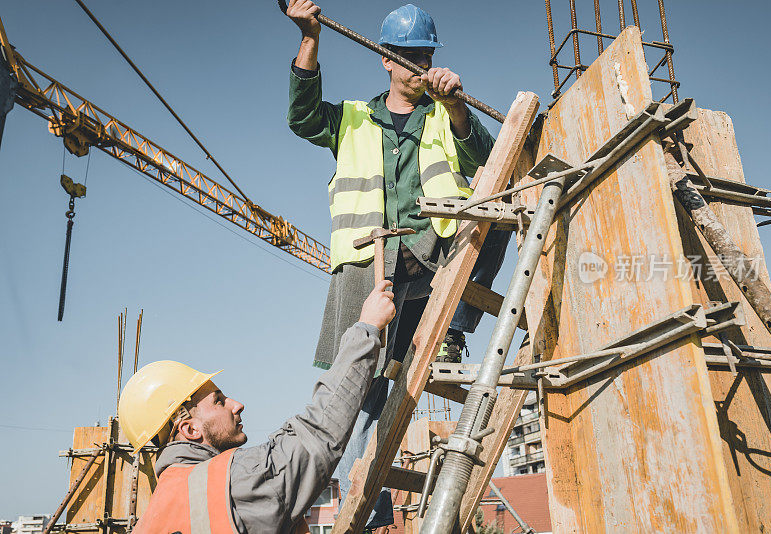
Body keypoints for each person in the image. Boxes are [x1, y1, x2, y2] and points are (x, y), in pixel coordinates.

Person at [284, 2, 510, 528]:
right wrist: (310, 39)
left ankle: (454, 329)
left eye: (424, 55)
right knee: (366, 391)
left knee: (496, 217)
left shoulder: (443, 115)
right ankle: (366, 509)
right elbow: (302, 118)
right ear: (385, 60)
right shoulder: (354, 118)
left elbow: (490, 161)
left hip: (434, 264)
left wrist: (456, 107)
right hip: (371, 270)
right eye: (407, 56)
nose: (417, 64)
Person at [118, 280, 396, 534]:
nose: (237, 405)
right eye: (218, 400)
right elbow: (318, 433)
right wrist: (366, 329)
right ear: (189, 428)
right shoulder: (228, 483)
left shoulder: (151, 519)